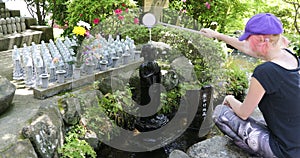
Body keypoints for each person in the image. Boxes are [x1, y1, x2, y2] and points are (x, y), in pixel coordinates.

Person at [199, 13, 300, 158]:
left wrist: (230, 98)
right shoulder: (291, 57)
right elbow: (248, 48)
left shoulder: (265, 72)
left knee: (221, 112)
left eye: (249, 39)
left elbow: (243, 113)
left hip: (284, 151)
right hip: (295, 143)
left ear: (262, 40)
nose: (246, 42)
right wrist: (216, 35)